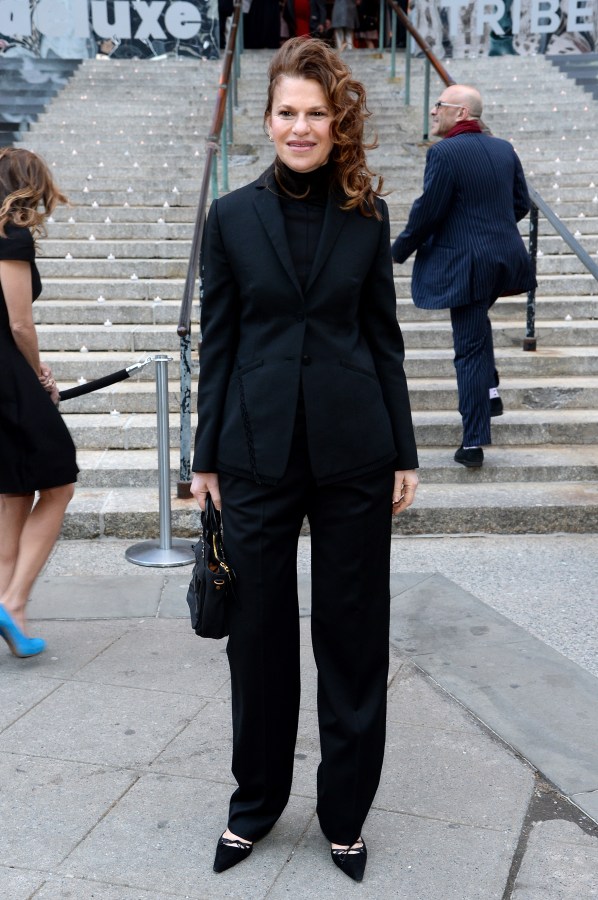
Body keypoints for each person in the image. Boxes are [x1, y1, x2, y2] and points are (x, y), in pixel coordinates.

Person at [190, 36, 418, 882]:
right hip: (253, 449)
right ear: (268, 118)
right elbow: (218, 342)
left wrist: (403, 448)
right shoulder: (232, 216)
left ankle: (345, 814)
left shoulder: (368, 214)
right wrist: (205, 454)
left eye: (315, 113)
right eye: (287, 112)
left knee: (355, 634)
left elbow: (382, 339)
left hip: (356, 447)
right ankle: (254, 805)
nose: (299, 127)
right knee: (255, 638)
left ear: (337, 120)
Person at [392, 84, 535, 468]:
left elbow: (428, 212)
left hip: (469, 266)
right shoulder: (504, 149)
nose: (433, 111)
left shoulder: (444, 154)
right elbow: (520, 203)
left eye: (439, 105)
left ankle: (473, 440)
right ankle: (489, 394)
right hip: (504, 259)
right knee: (477, 327)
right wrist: (492, 230)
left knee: (468, 348)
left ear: (461, 114)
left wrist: (398, 250)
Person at [0, 147, 77, 658]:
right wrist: (39, 373)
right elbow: (20, 322)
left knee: (12, 492)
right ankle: (15, 599)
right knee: (59, 482)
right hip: (8, 376)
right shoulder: (11, 236)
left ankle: (11, 612)